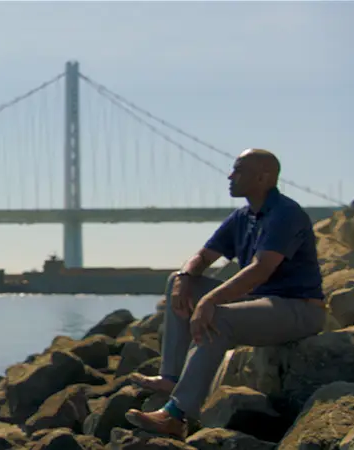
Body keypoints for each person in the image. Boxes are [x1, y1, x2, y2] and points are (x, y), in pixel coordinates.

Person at [124, 148, 327, 439]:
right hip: (261, 302)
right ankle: (171, 378)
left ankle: (176, 416)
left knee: (218, 319)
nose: (230, 176)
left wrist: (209, 301)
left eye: (239, 170)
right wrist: (184, 276)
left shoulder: (286, 214)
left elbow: (261, 270)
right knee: (180, 282)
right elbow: (203, 256)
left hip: (299, 309)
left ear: (263, 177)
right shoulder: (243, 217)